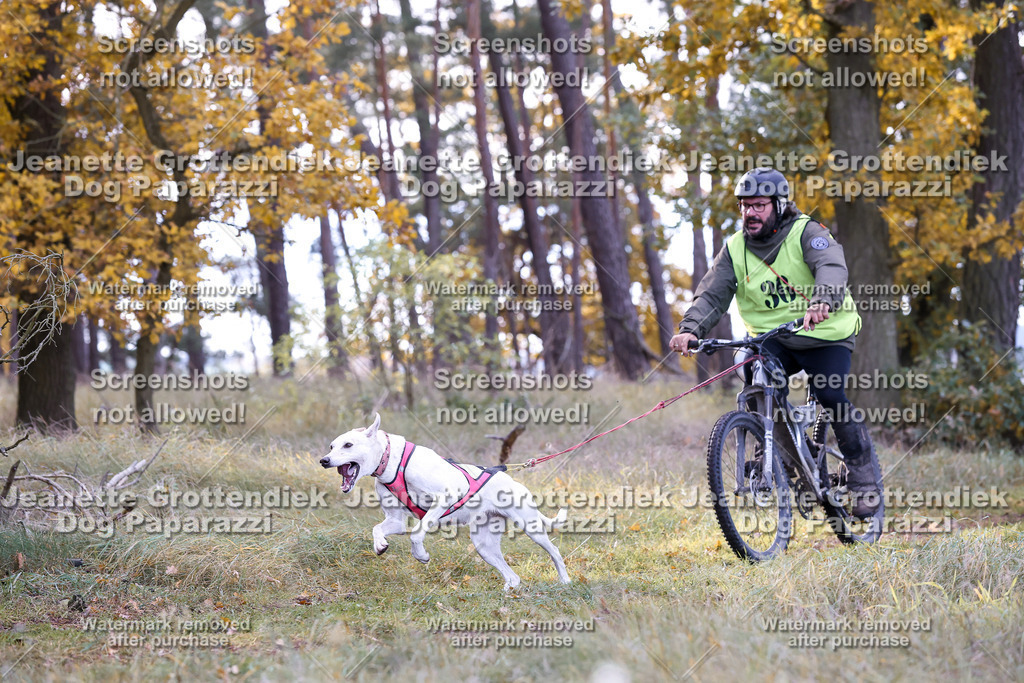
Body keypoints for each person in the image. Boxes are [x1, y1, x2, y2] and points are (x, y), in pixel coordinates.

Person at [669, 167, 883, 520]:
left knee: (830, 394)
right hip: (774, 338)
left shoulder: (807, 232)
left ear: (779, 205)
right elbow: (711, 294)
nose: (749, 213)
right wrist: (691, 328)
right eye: (744, 206)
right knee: (757, 382)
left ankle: (864, 479)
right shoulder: (735, 249)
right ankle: (776, 451)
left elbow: (831, 265)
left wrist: (823, 300)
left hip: (824, 332)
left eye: (758, 206)